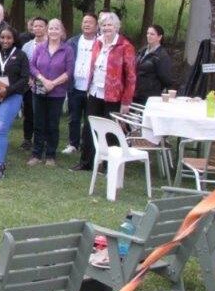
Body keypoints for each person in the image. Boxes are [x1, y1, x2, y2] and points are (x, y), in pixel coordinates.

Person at [74, 11, 137, 172]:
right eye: (103, 25)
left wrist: (126, 102)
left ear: (116, 27)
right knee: (89, 127)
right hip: (95, 91)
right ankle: (86, 161)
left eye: (110, 25)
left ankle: (110, 165)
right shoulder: (98, 43)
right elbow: (93, 67)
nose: (106, 28)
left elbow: (131, 77)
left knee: (111, 129)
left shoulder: (125, 46)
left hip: (114, 96)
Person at [0, 27, 30, 180]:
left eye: (8, 38)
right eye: (2, 37)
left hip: (12, 96)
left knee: (1, 128)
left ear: (14, 39)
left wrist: (7, 91)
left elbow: (24, 79)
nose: (5, 41)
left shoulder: (21, 56)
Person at [28, 19, 74, 166]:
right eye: (51, 28)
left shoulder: (67, 50)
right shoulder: (40, 47)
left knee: (53, 124)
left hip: (57, 93)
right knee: (38, 123)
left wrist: (53, 83)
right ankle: (36, 154)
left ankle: (50, 155)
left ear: (62, 32)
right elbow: (32, 66)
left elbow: (69, 71)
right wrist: (43, 80)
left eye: (56, 28)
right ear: (47, 31)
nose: (53, 31)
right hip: (39, 91)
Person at [64, 12, 98, 155]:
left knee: (89, 119)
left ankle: (88, 145)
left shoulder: (100, 43)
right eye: (84, 22)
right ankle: (73, 144)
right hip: (75, 86)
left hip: (93, 88)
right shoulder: (73, 42)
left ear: (97, 26)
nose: (86, 24)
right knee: (74, 117)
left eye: (90, 22)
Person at [18, 17, 48, 152]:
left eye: (41, 26)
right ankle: (27, 139)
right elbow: (23, 64)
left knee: (44, 113)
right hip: (29, 84)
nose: (37, 29)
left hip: (47, 84)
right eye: (35, 26)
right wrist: (29, 79)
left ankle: (43, 139)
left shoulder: (51, 44)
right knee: (29, 112)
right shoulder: (27, 46)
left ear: (46, 28)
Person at [135, 24, 174, 103]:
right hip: (137, 93)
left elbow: (166, 79)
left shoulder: (162, 55)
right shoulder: (142, 51)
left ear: (159, 37)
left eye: (152, 34)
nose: (148, 36)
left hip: (151, 95)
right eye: (148, 33)